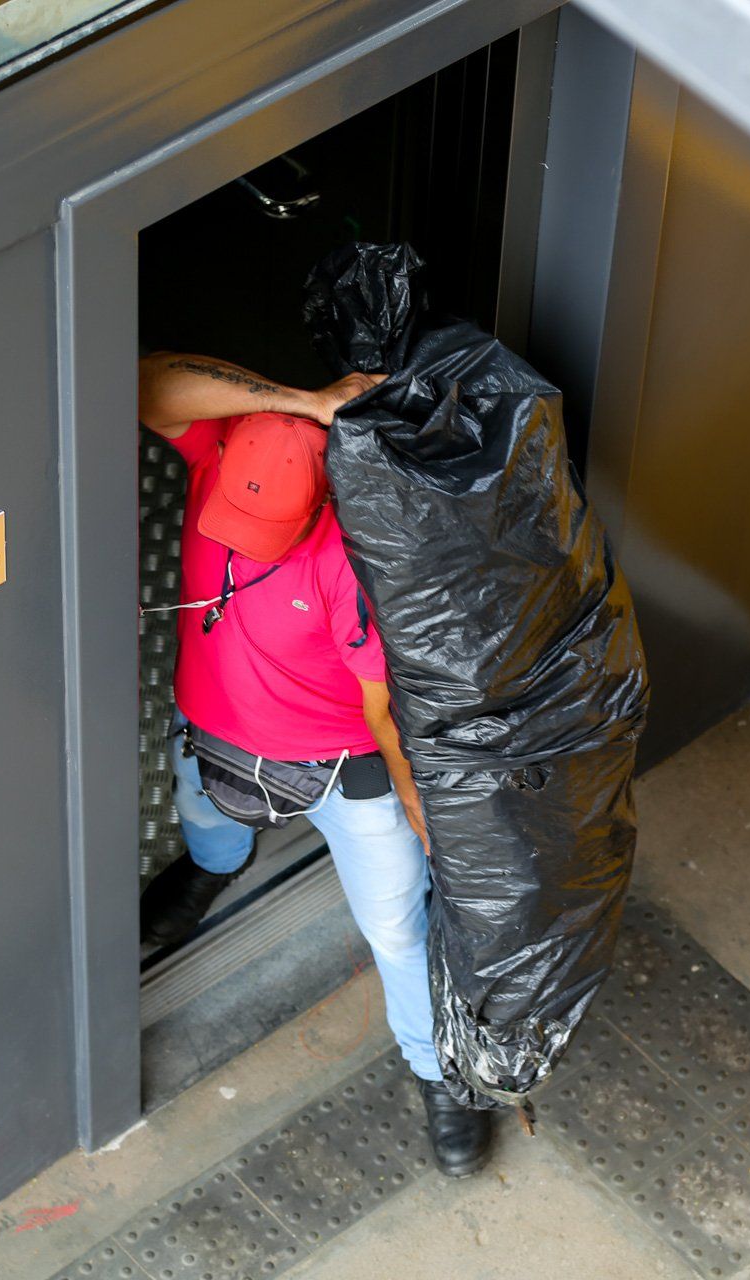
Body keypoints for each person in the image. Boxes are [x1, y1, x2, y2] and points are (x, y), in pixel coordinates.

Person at [135, 350, 492, 1176]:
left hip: (343, 773)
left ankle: (437, 1072)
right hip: (212, 739)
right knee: (207, 826)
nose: (248, 541)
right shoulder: (226, 452)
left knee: (399, 930)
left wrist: (418, 812)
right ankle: (210, 871)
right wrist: (305, 394)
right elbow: (147, 378)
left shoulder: (353, 558)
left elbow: (386, 715)